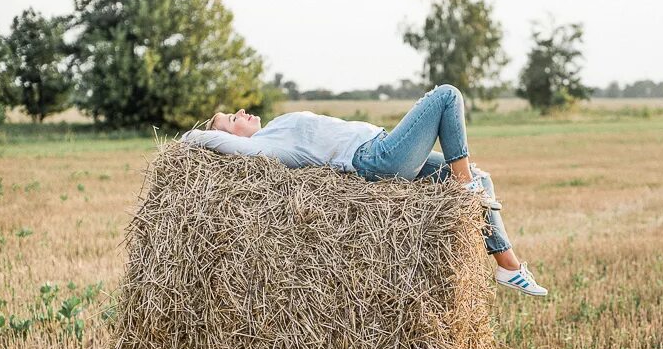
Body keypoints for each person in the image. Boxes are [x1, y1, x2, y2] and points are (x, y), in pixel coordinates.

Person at [181, 84, 547, 296]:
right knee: (447, 96)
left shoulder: (275, 127)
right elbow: (223, 144)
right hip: (377, 158)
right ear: (229, 137)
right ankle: (463, 184)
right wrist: (195, 137)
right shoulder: (269, 145)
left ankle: (507, 265)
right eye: (232, 118)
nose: (241, 111)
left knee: (484, 180)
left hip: (384, 145)